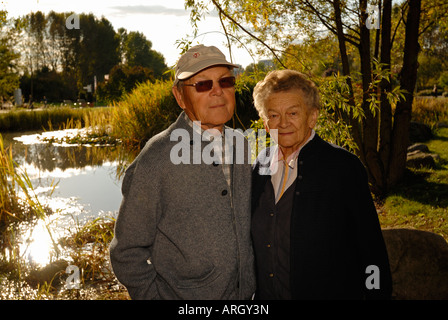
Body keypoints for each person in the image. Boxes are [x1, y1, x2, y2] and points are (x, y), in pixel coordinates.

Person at [109, 44, 255, 300]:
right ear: (179, 96)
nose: (218, 92)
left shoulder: (241, 144)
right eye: (202, 85)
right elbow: (127, 252)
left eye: (225, 81)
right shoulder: (157, 158)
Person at [251, 69, 392, 300]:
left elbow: (372, 250)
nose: (283, 123)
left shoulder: (343, 167)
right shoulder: (260, 165)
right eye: (274, 115)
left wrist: (375, 295)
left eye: (293, 113)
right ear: (265, 124)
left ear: (312, 116)